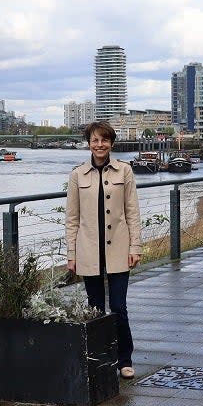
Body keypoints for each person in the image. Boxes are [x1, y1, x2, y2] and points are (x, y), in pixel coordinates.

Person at [66, 121, 142, 379]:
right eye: (95, 140)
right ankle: (100, 359)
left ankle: (124, 360)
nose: (100, 145)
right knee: (95, 309)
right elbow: (72, 219)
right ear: (88, 143)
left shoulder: (125, 171)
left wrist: (136, 246)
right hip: (88, 251)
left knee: (119, 308)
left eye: (104, 140)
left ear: (111, 143)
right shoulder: (77, 175)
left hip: (119, 249)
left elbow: (132, 213)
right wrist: (71, 254)